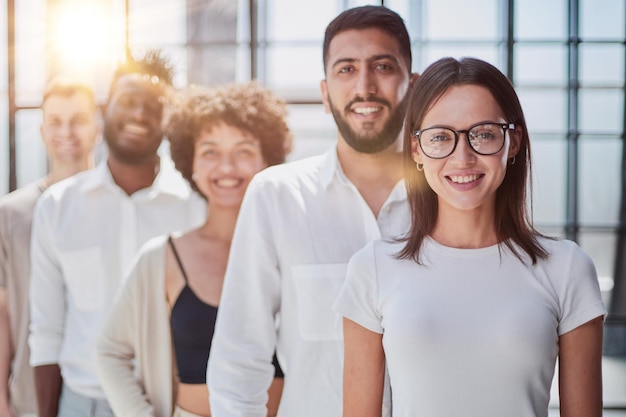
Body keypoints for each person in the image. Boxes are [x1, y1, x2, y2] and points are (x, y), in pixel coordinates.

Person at [334, 56, 606, 417]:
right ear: (417, 149)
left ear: (514, 142)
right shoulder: (372, 268)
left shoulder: (566, 268)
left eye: (483, 134)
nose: (463, 157)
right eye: (440, 137)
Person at [207, 5, 418, 417]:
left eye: (383, 66)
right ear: (325, 94)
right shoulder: (277, 197)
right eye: (346, 69)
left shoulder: (451, 200)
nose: (365, 86)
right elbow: (239, 359)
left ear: (415, 84)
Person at [96, 81, 293, 417]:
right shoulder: (161, 258)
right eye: (210, 152)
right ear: (192, 165)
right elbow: (109, 352)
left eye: (243, 151)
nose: (227, 167)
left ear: (267, 159)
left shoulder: (294, 253)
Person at [28, 50, 206, 417]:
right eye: (128, 101)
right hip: (83, 403)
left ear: (169, 120)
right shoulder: (57, 207)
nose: (139, 114)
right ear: (106, 108)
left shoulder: (195, 209)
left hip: (172, 404)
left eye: (154, 106)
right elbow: (45, 331)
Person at [0, 79, 100, 417]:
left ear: (97, 129)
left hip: (100, 391)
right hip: (28, 394)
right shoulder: (11, 214)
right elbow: (3, 312)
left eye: (78, 120)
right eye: (56, 121)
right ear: (42, 131)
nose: (66, 131)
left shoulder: (114, 208)